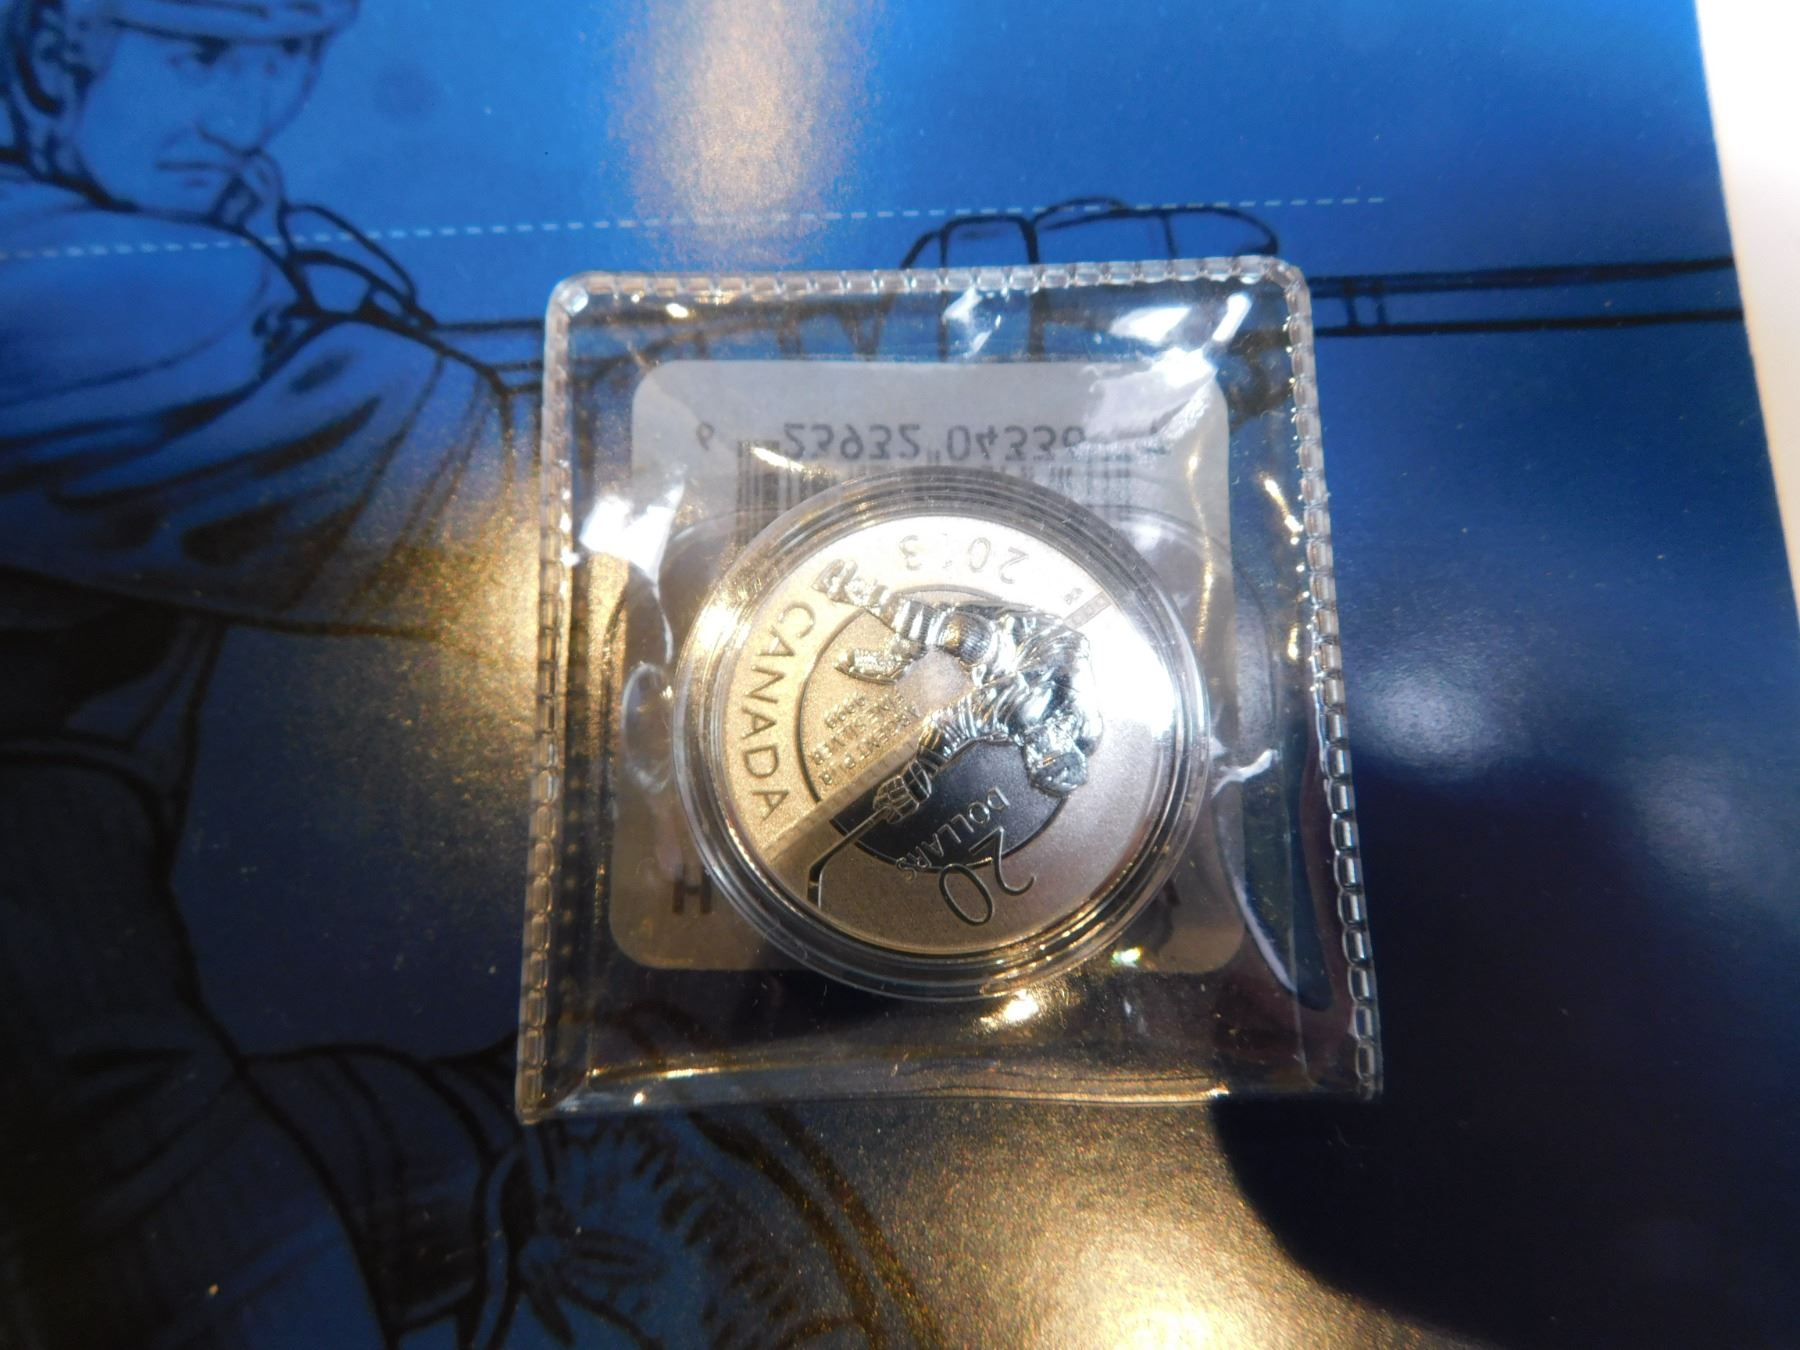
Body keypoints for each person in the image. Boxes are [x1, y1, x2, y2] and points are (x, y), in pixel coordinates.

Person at [0, 1, 549, 1343]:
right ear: (56, 51)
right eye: (199, 56)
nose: (247, 115)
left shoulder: (180, 226)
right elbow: (480, 494)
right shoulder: (81, 284)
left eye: (285, 59)